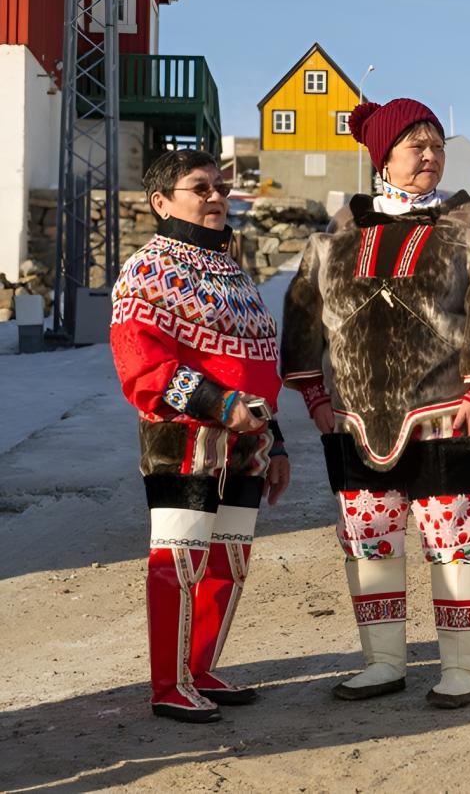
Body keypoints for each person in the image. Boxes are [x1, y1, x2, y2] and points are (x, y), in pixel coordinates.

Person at [280, 98, 470, 708]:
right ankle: (384, 660)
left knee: (456, 537)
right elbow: (304, 316)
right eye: (416, 146)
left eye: (437, 145)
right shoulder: (337, 237)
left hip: (446, 412)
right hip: (354, 418)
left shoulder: (466, 227)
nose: (431, 156)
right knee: (369, 537)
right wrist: (314, 395)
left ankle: (464, 666)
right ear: (382, 157)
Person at [110, 149, 291, 723]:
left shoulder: (233, 269)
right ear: (161, 201)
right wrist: (221, 404)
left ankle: (200, 666)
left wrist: (275, 440)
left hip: (246, 440)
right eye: (200, 187)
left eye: (220, 186)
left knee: (228, 560)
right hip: (184, 433)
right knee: (179, 558)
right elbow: (141, 362)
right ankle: (168, 683)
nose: (217, 196)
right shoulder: (147, 269)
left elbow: (258, 363)